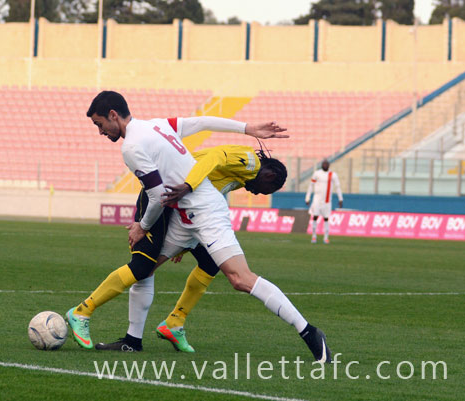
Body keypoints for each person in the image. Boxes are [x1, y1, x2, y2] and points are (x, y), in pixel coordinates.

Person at [67, 91, 332, 363]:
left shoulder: (133, 145)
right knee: (144, 269)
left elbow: (161, 193)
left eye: (99, 124)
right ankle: (126, 335)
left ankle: (309, 332)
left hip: (203, 209)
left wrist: (141, 226)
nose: (100, 131)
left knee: (240, 278)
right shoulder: (156, 125)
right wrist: (246, 128)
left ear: (113, 115)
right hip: (185, 211)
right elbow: (203, 126)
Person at [95, 143, 287, 353]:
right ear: (269, 176)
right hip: (167, 193)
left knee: (209, 263)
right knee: (144, 266)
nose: (258, 193)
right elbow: (213, 157)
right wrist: (187, 188)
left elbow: (206, 193)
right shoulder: (249, 162)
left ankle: (172, 323)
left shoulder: (242, 177)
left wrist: (187, 240)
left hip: (180, 205)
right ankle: (84, 313)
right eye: (265, 191)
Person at [305, 159, 343, 244]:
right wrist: (307, 198)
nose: (325, 165)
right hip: (317, 199)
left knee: (326, 218)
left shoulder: (333, 175)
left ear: (329, 165)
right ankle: (314, 236)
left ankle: (326, 237)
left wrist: (340, 199)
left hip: (327, 201)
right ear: (322, 165)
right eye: (324, 164)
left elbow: (338, 187)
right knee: (315, 217)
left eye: (326, 164)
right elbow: (311, 186)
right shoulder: (316, 173)